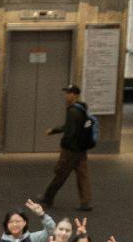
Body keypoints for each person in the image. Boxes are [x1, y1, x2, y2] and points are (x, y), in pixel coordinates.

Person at [37, 84, 95, 213]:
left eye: (68, 93)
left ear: (75, 95)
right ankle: (85, 202)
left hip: (71, 150)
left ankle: (48, 198)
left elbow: (70, 131)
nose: (66, 95)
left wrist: (65, 144)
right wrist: (54, 130)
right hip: (81, 149)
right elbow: (70, 127)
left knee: (61, 173)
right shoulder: (82, 109)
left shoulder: (73, 111)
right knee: (82, 175)